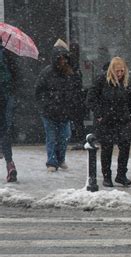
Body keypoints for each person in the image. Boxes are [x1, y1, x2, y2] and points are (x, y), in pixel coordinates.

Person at [87, 57, 131, 187]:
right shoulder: (102, 80)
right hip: (106, 120)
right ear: (112, 70)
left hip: (123, 120)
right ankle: (107, 176)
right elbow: (91, 99)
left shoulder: (127, 82)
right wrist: (100, 115)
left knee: (125, 147)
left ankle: (121, 175)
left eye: (122, 71)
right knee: (107, 148)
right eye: (117, 71)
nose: (120, 74)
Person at [35, 40, 82, 172]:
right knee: (52, 137)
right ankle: (52, 161)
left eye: (65, 58)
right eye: (61, 59)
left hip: (64, 111)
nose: (63, 61)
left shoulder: (70, 72)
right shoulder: (47, 73)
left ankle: (60, 159)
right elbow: (39, 91)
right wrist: (46, 105)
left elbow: (76, 89)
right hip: (50, 112)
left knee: (64, 137)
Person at [0, 41, 18, 182]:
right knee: (5, 130)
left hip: (5, 97)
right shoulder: (7, 54)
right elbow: (17, 76)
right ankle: (10, 163)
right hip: (6, 98)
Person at [68, 42, 87, 150]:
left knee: (76, 120)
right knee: (77, 120)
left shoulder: (73, 67)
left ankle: (80, 139)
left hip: (75, 97)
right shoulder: (76, 67)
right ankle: (81, 138)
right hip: (77, 97)